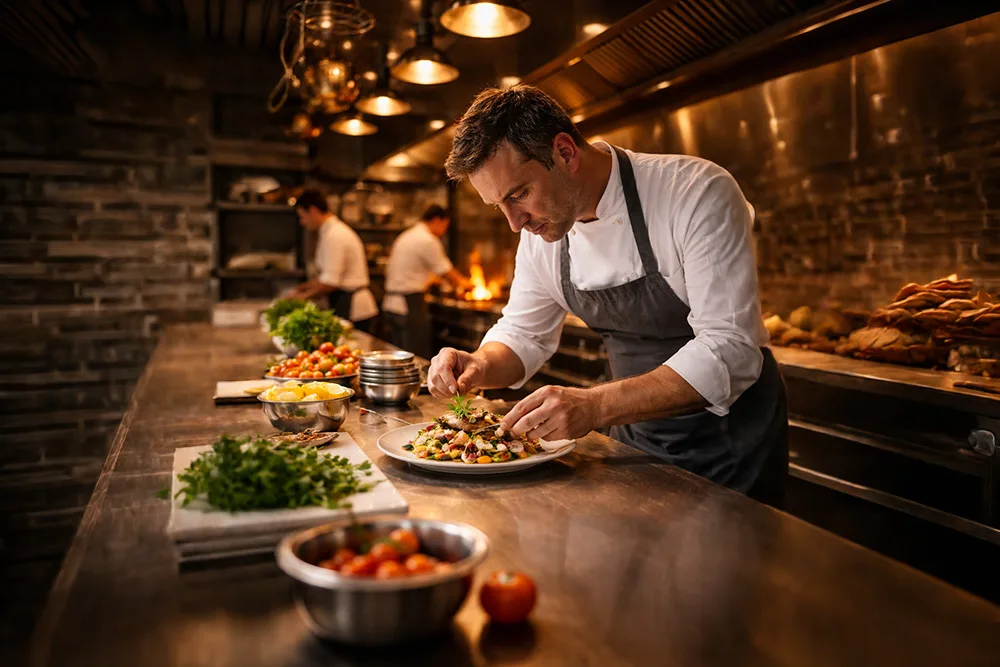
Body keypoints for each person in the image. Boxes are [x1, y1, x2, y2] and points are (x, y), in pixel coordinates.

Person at [427, 85, 788, 505]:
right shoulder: (542, 235)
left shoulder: (694, 192)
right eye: (498, 206)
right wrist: (481, 364)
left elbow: (731, 347)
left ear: (565, 153)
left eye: (519, 194)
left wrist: (595, 406)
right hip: (635, 435)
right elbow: (523, 334)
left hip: (731, 443)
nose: (513, 223)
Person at [382, 204, 468, 357]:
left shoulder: (408, 235)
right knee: (415, 355)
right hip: (409, 305)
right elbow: (446, 272)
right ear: (436, 220)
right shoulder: (427, 240)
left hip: (391, 305)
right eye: (445, 226)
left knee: (398, 356)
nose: (444, 231)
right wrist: (467, 284)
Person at [289, 189, 378, 332]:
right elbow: (326, 277)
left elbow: (331, 282)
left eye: (302, 216)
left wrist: (301, 297)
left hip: (354, 309)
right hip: (344, 303)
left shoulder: (335, 235)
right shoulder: (329, 232)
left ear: (313, 210)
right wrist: (302, 288)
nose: (302, 222)